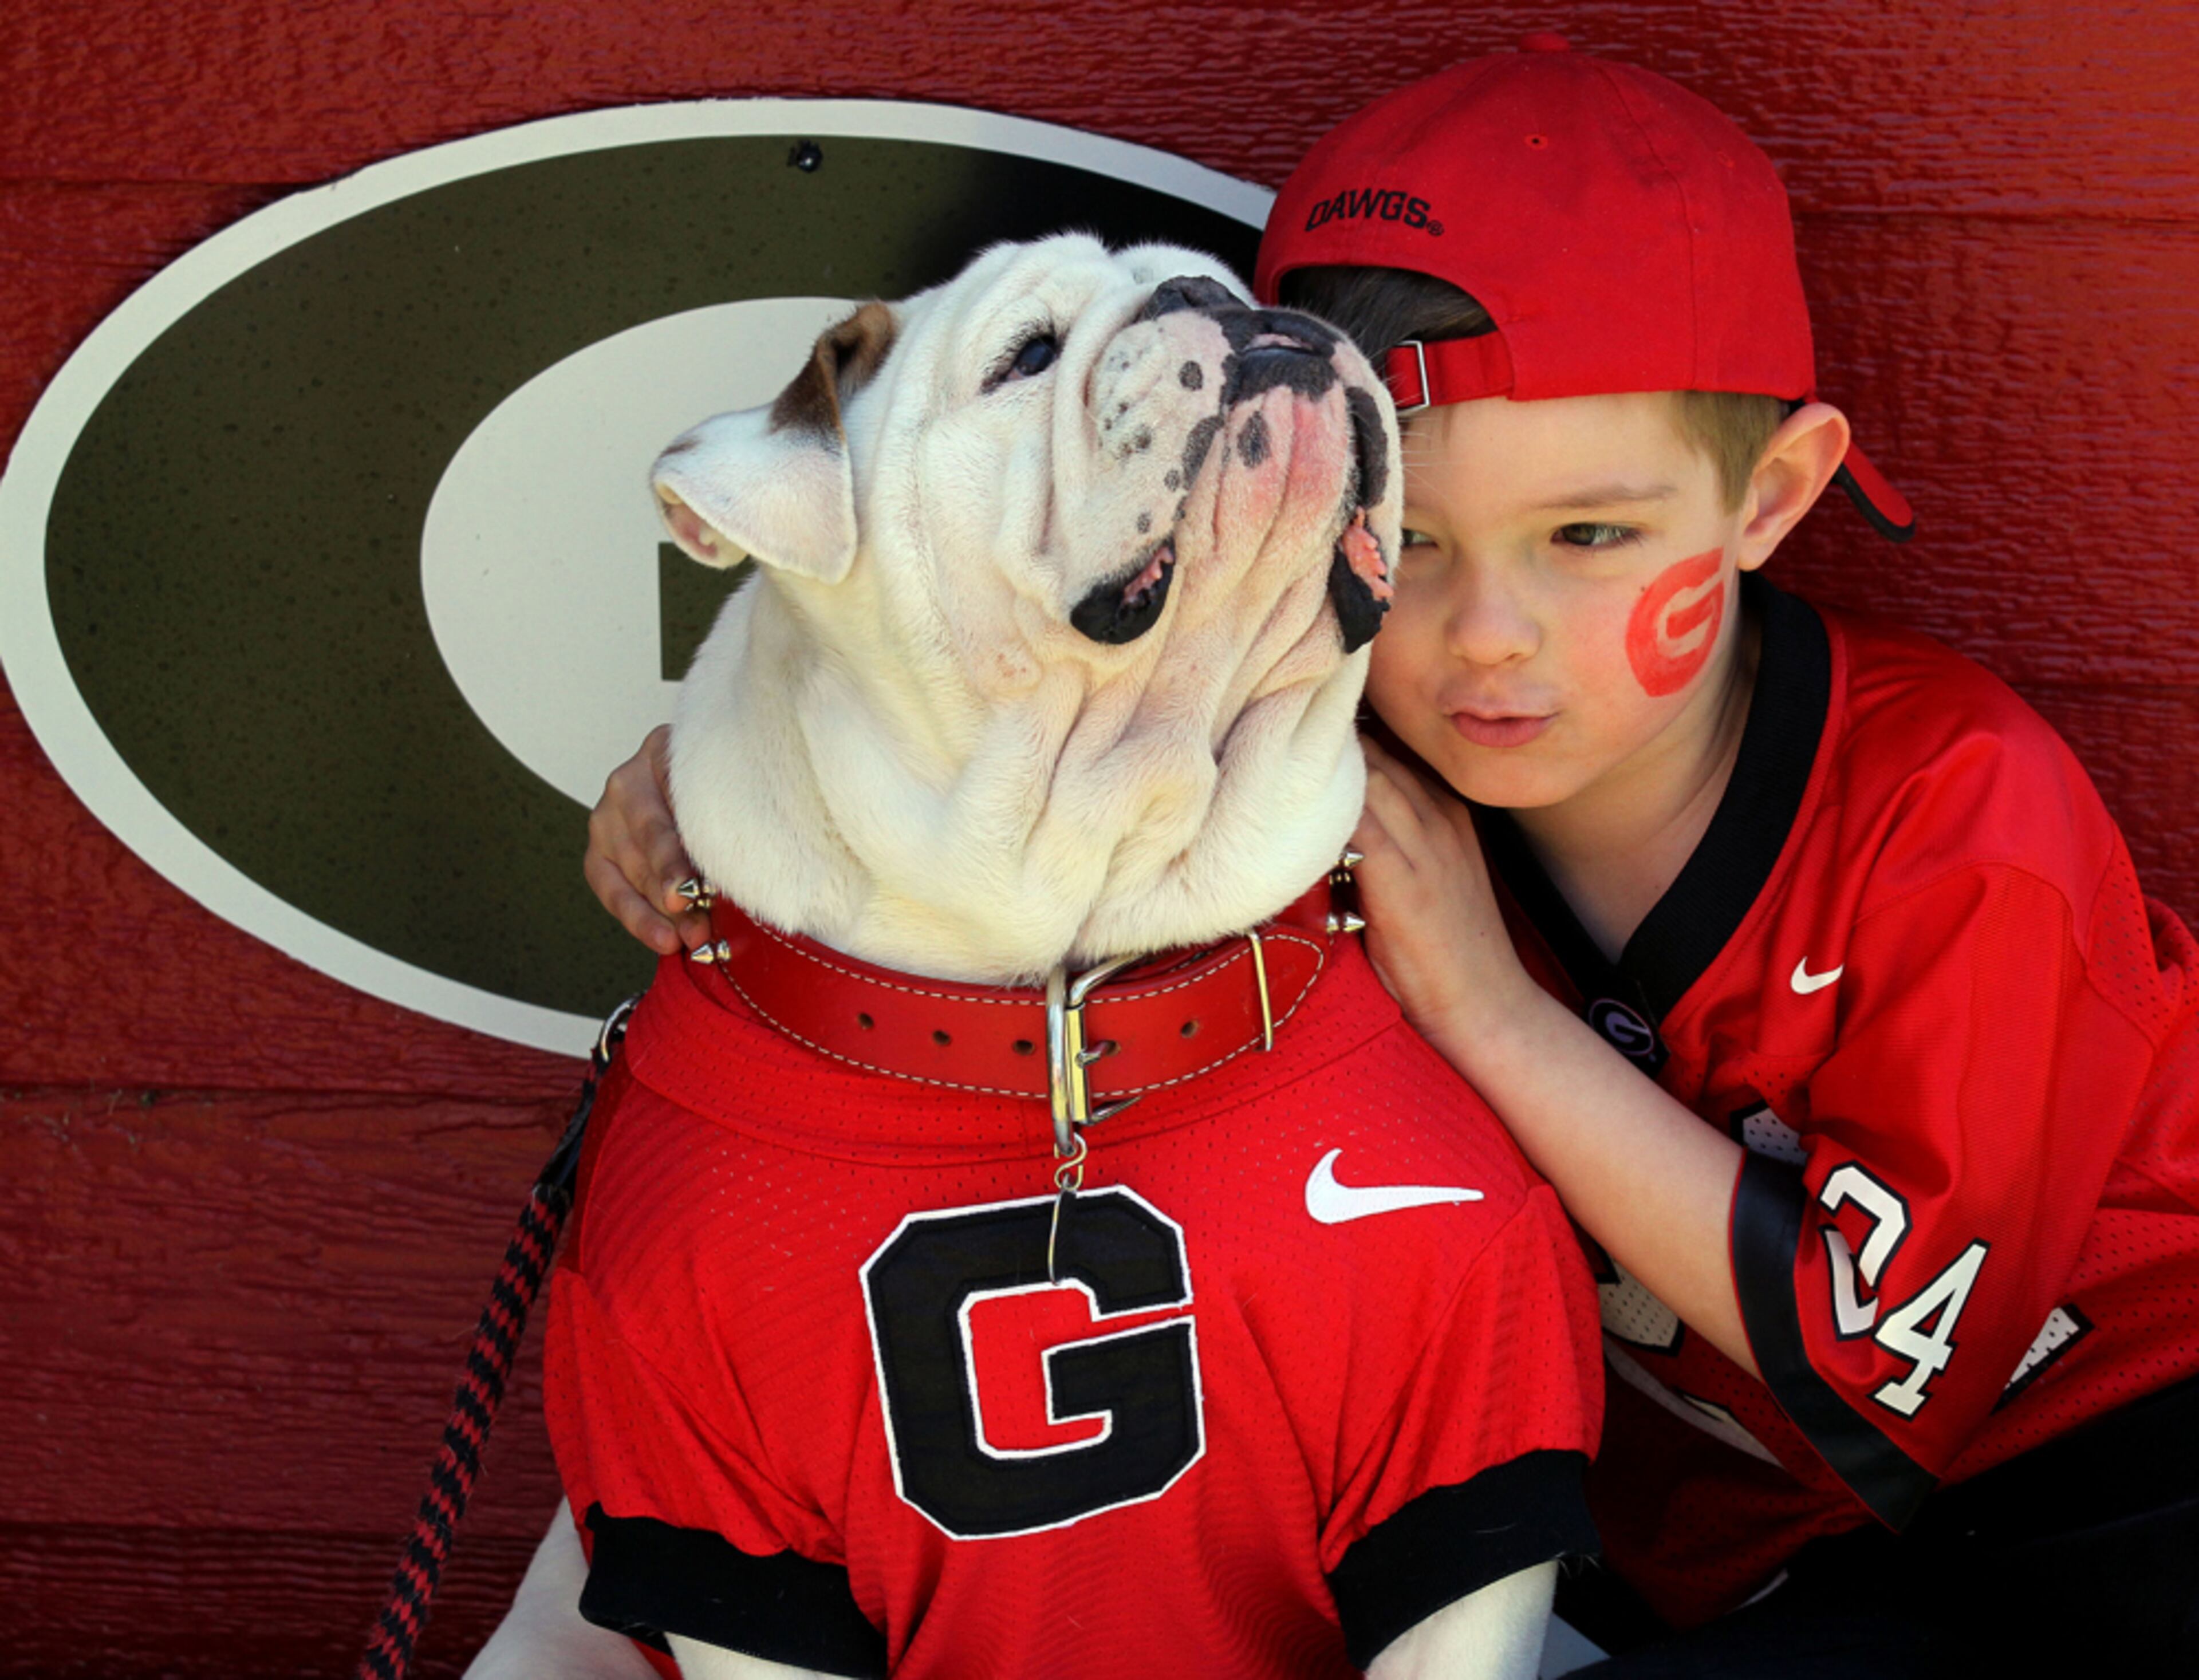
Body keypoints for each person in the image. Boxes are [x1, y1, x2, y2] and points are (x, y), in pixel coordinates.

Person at [583, 38, 2199, 1674]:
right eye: (1409, 540)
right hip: (1724, 1567)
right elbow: (955, 763)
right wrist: (696, 791)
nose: (1487, 639)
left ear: (1772, 496)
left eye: (1589, 539)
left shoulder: (1958, 811)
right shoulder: (1330, 763)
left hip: (2113, 1489)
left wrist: (1493, 1013)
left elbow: (1887, 1367)